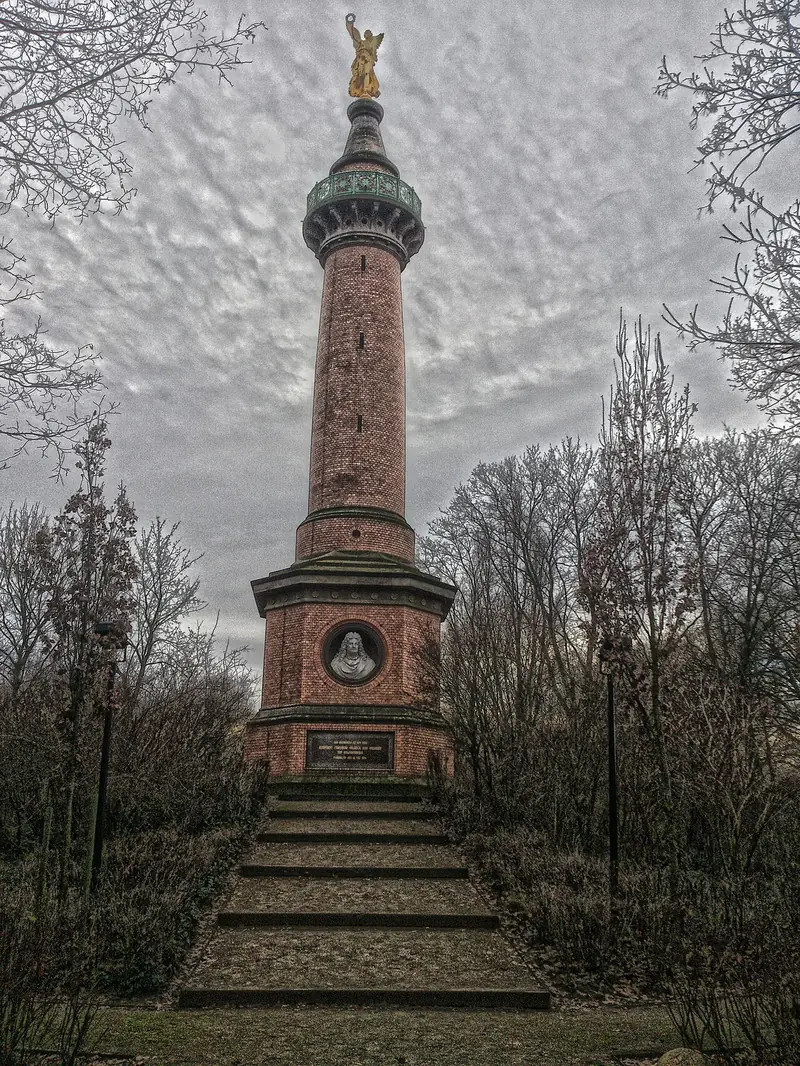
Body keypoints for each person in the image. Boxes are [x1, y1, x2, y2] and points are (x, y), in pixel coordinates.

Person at [345, 15, 384, 99]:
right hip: (360, 59)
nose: (366, 34)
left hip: (368, 59)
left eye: (368, 32)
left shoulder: (371, 44)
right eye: (365, 33)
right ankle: (362, 89)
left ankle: (366, 90)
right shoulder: (360, 42)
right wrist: (350, 24)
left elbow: (374, 46)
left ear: (371, 35)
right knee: (360, 75)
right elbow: (354, 35)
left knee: (367, 73)